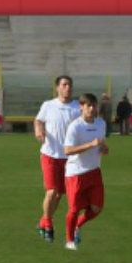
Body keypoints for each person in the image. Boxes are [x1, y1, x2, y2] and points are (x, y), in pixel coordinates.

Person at [33, 75, 81, 243]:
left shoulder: (77, 107)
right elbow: (38, 120)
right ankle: (47, 222)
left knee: (60, 194)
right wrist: (39, 130)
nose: (68, 88)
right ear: (57, 88)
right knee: (52, 191)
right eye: (64, 84)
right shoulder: (48, 105)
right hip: (50, 155)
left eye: (70, 85)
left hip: (69, 158)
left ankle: (44, 219)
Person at [63, 93, 109, 250]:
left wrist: (104, 148)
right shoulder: (75, 126)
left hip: (94, 171)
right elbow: (67, 150)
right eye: (88, 105)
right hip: (76, 173)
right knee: (74, 209)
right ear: (81, 107)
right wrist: (90, 145)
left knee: (96, 208)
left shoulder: (101, 124)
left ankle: (78, 225)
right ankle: (69, 241)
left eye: (93, 105)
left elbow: (102, 145)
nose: (91, 108)